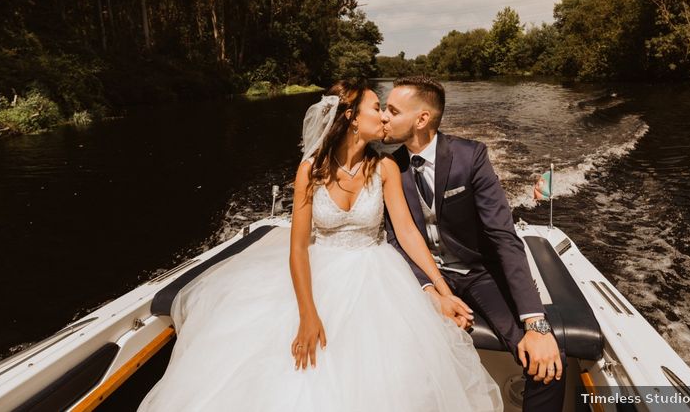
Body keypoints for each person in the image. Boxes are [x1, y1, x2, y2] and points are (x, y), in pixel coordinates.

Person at [138, 80, 502, 411]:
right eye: (377, 107)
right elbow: (297, 248)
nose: (384, 116)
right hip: (319, 274)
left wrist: (440, 290)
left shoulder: (386, 168)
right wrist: (307, 315)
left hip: (378, 277)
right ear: (351, 118)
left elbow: (407, 233)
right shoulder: (309, 171)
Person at [380, 76, 566, 412]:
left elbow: (502, 236)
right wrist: (431, 292)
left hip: (479, 272)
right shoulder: (389, 167)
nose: (383, 116)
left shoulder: (471, 157)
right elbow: (395, 239)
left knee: (548, 359)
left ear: (422, 119)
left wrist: (535, 323)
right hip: (423, 276)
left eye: (392, 110)